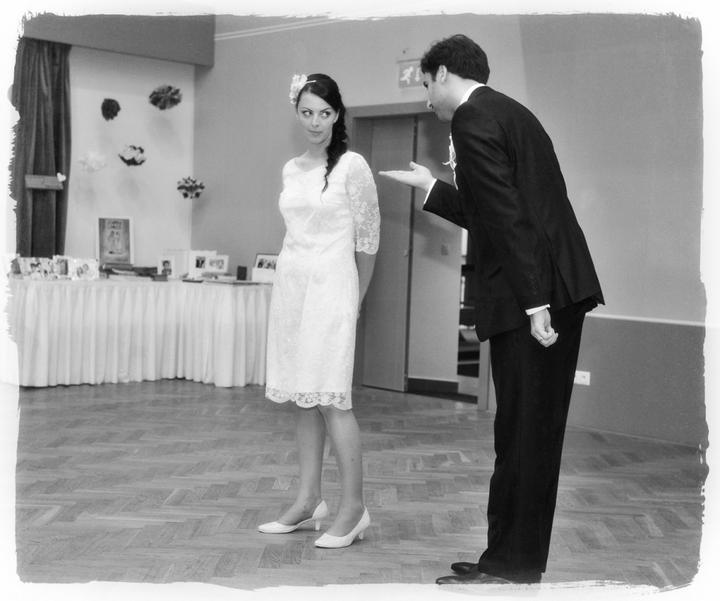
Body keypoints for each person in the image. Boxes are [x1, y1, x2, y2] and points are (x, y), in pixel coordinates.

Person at [380, 34, 603, 585]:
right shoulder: (509, 112)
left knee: (525, 436)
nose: (426, 97)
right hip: (554, 286)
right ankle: (507, 558)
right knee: (526, 434)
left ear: (443, 73)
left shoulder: (472, 118)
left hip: (539, 296)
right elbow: (498, 209)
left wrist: (535, 302)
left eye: (425, 83)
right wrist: (432, 187)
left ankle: (511, 566)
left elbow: (507, 218)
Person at [259, 73, 380, 549]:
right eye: (307, 112)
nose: (315, 122)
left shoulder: (352, 166)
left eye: (324, 113)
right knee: (303, 396)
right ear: (297, 112)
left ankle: (354, 508)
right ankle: (309, 500)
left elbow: (368, 241)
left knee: (332, 399)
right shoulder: (291, 169)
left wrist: (356, 300)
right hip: (292, 288)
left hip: (333, 287)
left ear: (337, 115)